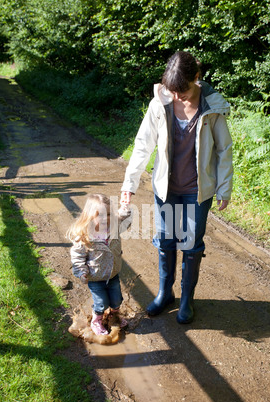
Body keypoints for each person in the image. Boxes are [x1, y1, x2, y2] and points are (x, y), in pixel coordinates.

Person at [120, 51, 233, 324]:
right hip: (166, 190)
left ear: (197, 78)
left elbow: (224, 150)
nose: (177, 97)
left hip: (197, 192)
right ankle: (164, 293)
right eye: (173, 91)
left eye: (182, 92)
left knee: (191, 244)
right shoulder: (160, 104)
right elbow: (143, 145)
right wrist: (129, 184)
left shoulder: (213, 108)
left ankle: (186, 300)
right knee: (166, 240)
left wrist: (224, 187)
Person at [67, 193, 130, 335]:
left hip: (113, 273)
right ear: (89, 216)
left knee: (116, 300)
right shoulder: (84, 236)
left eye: (107, 214)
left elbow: (126, 221)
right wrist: (82, 271)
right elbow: (77, 256)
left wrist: (125, 207)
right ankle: (97, 320)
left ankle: (114, 316)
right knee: (101, 303)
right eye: (99, 215)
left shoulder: (114, 227)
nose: (104, 219)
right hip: (95, 277)